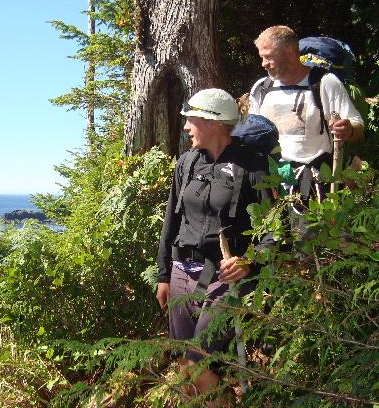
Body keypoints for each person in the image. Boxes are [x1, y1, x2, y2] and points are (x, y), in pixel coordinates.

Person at [156, 88, 274, 407]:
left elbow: (276, 231)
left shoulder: (253, 166)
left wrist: (249, 262)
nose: (186, 127)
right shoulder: (186, 164)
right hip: (183, 273)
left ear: (212, 122)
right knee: (184, 365)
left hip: (225, 278)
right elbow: (172, 221)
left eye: (191, 119)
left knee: (199, 364)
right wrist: (163, 274)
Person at [248, 26, 364, 208]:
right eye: (261, 57)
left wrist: (348, 129)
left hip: (320, 182)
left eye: (268, 56)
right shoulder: (261, 88)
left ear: (289, 52)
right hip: (276, 182)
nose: (263, 63)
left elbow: (357, 124)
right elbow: (252, 133)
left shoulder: (324, 83)